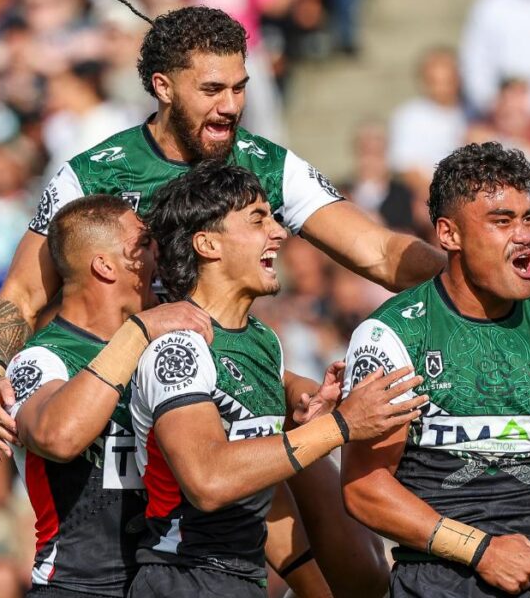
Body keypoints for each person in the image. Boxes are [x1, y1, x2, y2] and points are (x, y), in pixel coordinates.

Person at [0, 6, 530, 596]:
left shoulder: (264, 164)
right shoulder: (94, 174)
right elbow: (20, 294)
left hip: (227, 378)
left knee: (348, 554)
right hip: (129, 392)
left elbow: (379, 252)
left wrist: (483, 277)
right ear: (163, 87)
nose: (231, 105)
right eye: (212, 90)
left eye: (240, 87)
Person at [128, 160, 428, 597]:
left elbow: (262, 493)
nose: (280, 233)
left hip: (240, 581)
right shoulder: (178, 347)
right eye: (258, 220)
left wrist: (312, 399)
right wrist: (342, 425)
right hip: (181, 580)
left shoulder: (262, 340)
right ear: (207, 243)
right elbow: (209, 480)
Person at [340, 143, 530, 597]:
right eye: (502, 221)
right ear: (449, 234)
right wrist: (482, 550)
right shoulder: (393, 336)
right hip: (437, 583)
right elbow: (365, 487)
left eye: (528, 218)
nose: (524, 236)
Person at [3, 194, 213, 597]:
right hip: (76, 587)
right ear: (105, 265)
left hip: (168, 582)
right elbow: (58, 436)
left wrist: (299, 395)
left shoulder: (167, 338)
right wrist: (137, 332)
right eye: (144, 243)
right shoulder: (40, 358)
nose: (158, 252)